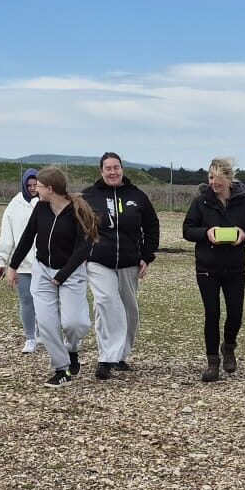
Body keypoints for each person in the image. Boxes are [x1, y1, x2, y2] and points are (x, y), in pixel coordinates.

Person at [7, 167, 98, 388]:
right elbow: (27, 238)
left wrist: (61, 276)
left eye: (38, 186)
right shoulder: (40, 208)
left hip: (71, 273)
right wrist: (13, 266)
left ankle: (72, 349)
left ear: (50, 188)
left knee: (75, 323)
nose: (34, 190)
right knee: (46, 323)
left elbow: (83, 249)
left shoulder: (78, 211)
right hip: (42, 271)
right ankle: (61, 369)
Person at [81, 151, 160, 379]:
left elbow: (152, 226)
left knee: (128, 309)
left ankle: (120, 354)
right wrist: (80, 254)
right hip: (98, 260)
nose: (112, 172)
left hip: (129, 262)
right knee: (106, 303)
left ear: (122, 169)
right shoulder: (89, 196)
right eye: (108, 168)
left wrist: (147, 256)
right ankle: (106, 358)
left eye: (116, 167)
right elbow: (77, 226)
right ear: (101, 171)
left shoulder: (137, 196)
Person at [181, 156, 245, 382]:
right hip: (207, 266)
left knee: (235, 314)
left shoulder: (244, 202)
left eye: (218, 178)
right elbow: (187, 230)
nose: (213, 182)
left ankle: (229, 346)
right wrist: (206, 233)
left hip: (235, 267)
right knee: (212, 314)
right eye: (210, 177)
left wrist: (244, 236)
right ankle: (212, 362)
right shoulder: (201, 202)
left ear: (229, 178)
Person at [0, 168, 40, 354]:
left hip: (44, 263)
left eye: (36, 185)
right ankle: (30, 337)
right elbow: (7, 237)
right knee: (26, 300)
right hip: (23, 264)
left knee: (46, 302)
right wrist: (0, 260)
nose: (33, 188)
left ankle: (44, 332)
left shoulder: (46, 202)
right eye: (30, 185)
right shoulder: (14, 206)